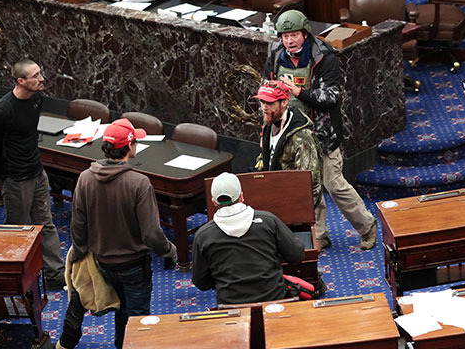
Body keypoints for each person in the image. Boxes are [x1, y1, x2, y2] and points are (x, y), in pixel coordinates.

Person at [262, 9, 377, 251]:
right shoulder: (274, 53)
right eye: (285, 36)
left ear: (305, 34)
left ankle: (367, 226)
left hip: (323, 133)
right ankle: (320, 235)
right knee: (306, 186)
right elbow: (266, 84)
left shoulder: (323, 56)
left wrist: (298, 92)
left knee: (333, 184)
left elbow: (332, 96)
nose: (289, 41)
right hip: (293, 134)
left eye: (294, 35)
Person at [68, 118, 177, 348]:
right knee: (138, 323)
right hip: (134, 267)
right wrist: (169, 251)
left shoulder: (85, 178)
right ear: (130, 146)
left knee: (121, 310)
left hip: (103, 264)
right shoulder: (139, 183)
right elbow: (151, 234)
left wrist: (80, 254)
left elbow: (78, 226)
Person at [0, 58, 65, 289]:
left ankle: (55, 275)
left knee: (46, 224)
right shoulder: (2, 111)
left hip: (37, 171)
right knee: (17, 230)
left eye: (41, 73)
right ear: (21, 81)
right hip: (15, 178)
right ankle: (14, 281)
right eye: (36, 75)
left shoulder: (37, 99)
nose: (42, 79)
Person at [192, 172, 305, 304]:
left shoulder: (203, 235)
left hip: (231, 306)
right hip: (274, 302)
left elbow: (201, 282)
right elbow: (297, 255)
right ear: (242, 196)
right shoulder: (268, 221)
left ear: (213, 202)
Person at [255, 80, 325, 231]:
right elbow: (266, 158)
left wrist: (296, 218)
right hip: (272, 203)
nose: (264, 108)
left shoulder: (302, 138)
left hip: (291, 211)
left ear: (284, 103)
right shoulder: (270, 123)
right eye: (262, 102)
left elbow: (312, 185)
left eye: (270, 103)